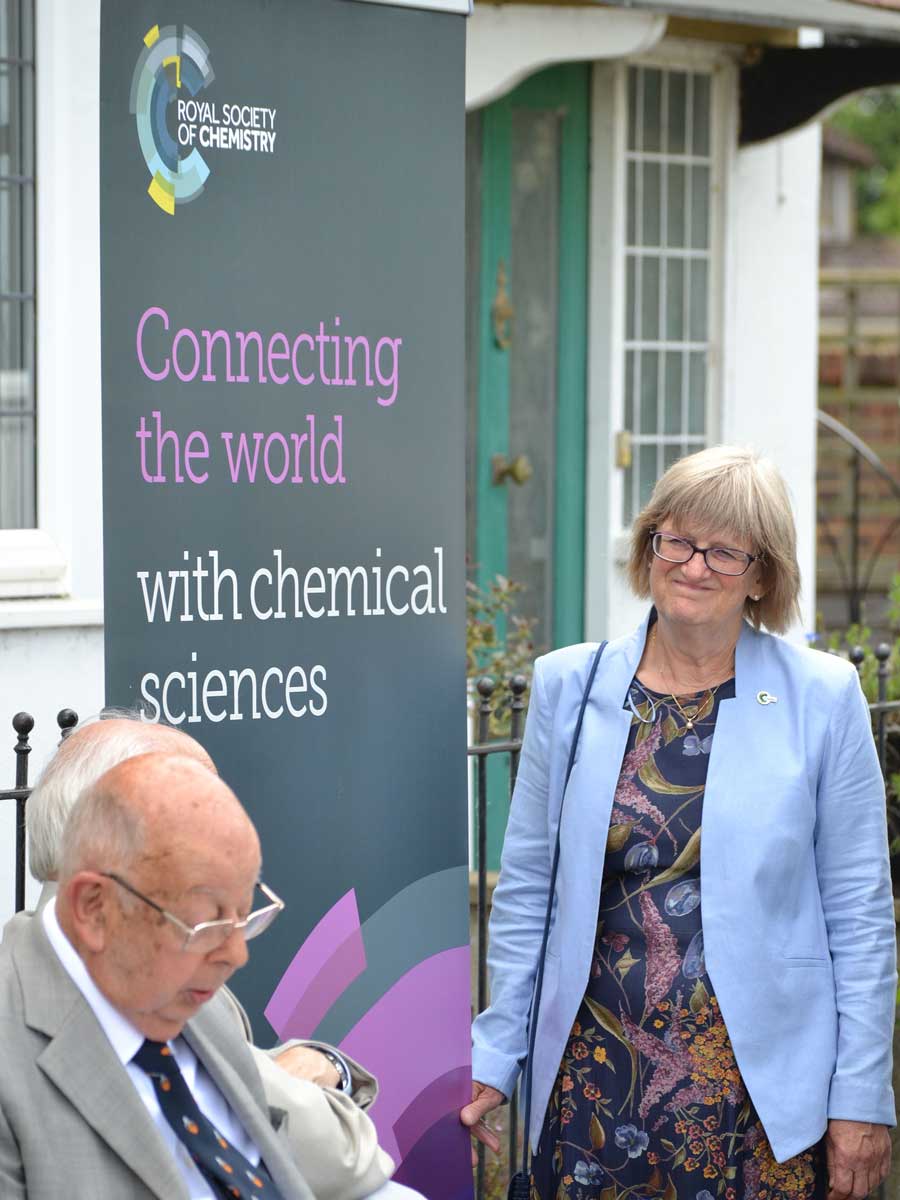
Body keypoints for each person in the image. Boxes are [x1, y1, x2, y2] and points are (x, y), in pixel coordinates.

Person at [462, 446, 896, 1200]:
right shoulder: (570, 685)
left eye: (724, 551)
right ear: (648, 548)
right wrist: (497, 1055)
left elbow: (860, 916)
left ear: (761, 576)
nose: (694, 566)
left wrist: (859, 1094)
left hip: (757, 1096)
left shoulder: (822, 697)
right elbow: (529, 888)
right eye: (677, 541)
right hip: (595, 1076)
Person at [5, 714, 399, 1200]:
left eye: (245, 914)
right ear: (95, 904)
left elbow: (356, 1164)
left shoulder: (178, 991)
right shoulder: (39, 1028)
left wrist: (323, 1064)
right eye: (207, 920)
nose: (236, 954)